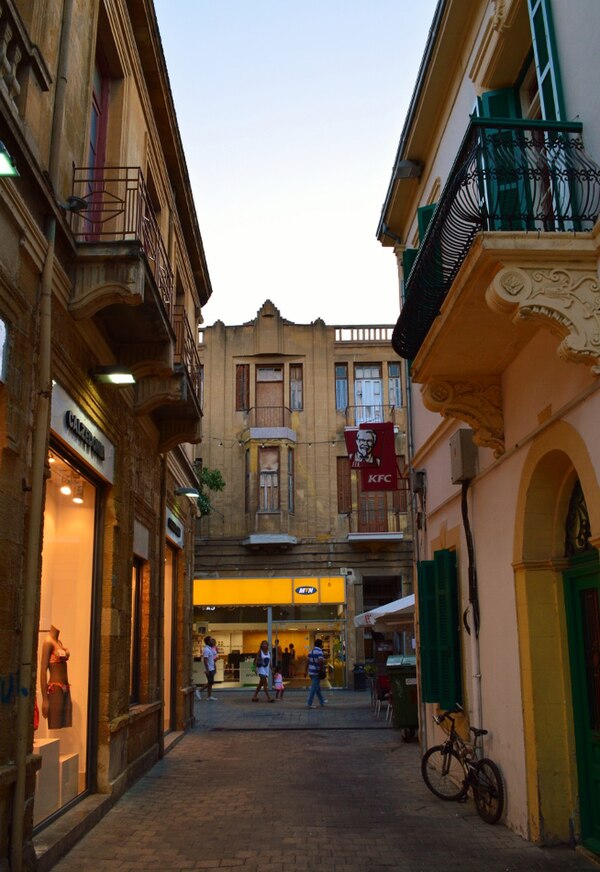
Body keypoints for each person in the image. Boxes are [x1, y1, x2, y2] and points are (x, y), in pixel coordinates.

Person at [40, 624, 72, 728]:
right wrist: (45, 699)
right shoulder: (48, 642)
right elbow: (43, 670)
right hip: (55, 688)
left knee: (65, 725)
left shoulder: (59, 643)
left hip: (65, 687)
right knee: (55, 726)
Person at [305, 638, 327, 708]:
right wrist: (321, 669)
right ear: (320, 644)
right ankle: (309, 703)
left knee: (317, 687)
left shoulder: (310, 652)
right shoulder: (320, 652)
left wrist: (305, 671)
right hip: (316, 672)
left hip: (311, 672)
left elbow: (307, 662)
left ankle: (322, 701)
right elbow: (320, 661)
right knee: (314, 688)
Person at [196, 635, 218, 701]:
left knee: (210, 683)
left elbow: (212, 659)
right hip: (209, 669)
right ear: (208, 641)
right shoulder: (206, 650)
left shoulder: (210, 649)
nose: (212, 641)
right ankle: (199, 690)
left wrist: (214, 667)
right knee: (210, 683)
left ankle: (209, 696)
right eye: (211, 640)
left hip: (212, 668)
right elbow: (205, 660)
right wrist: (207, 670)